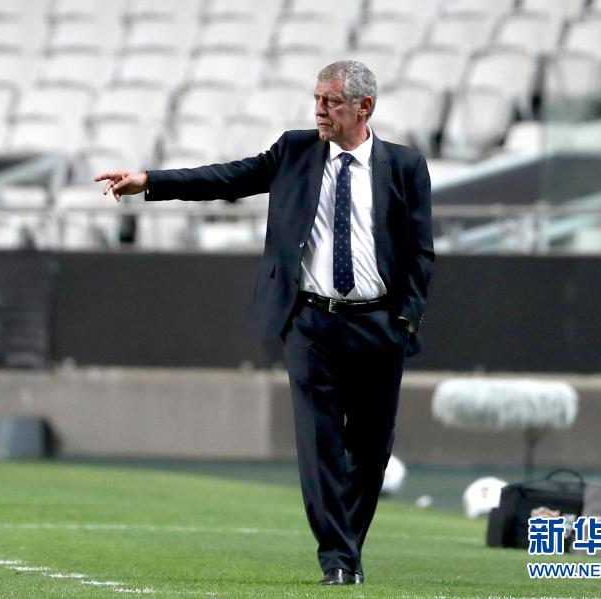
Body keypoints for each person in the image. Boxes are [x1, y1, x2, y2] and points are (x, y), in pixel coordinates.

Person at [94, 60, 434, 586]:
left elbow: (420, 250)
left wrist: (405, 320)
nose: (318, 110)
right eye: (316, 99)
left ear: (364, 107)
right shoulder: (295, 150)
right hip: (311, 323)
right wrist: (150, 182)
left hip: (379, 326)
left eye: (330, 101)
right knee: (319, 445)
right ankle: (338, 560)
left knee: (370, 452)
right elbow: (228, 177)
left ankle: (347, 549)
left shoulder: (406, 166)